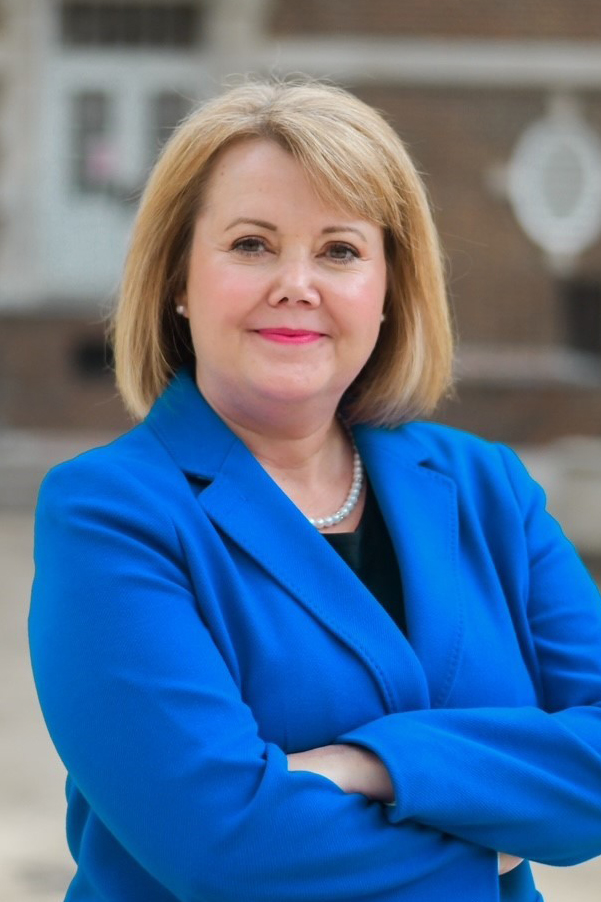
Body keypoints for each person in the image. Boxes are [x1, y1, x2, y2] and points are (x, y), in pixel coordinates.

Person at [29, 78, 601, 902]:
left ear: (387, 289)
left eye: (339, 250)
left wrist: (368, 766)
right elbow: (221, 845)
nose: (296, 282)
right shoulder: (111, 515)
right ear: (178, 280)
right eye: (252, 244)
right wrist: (490, 841)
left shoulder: (486, 488)